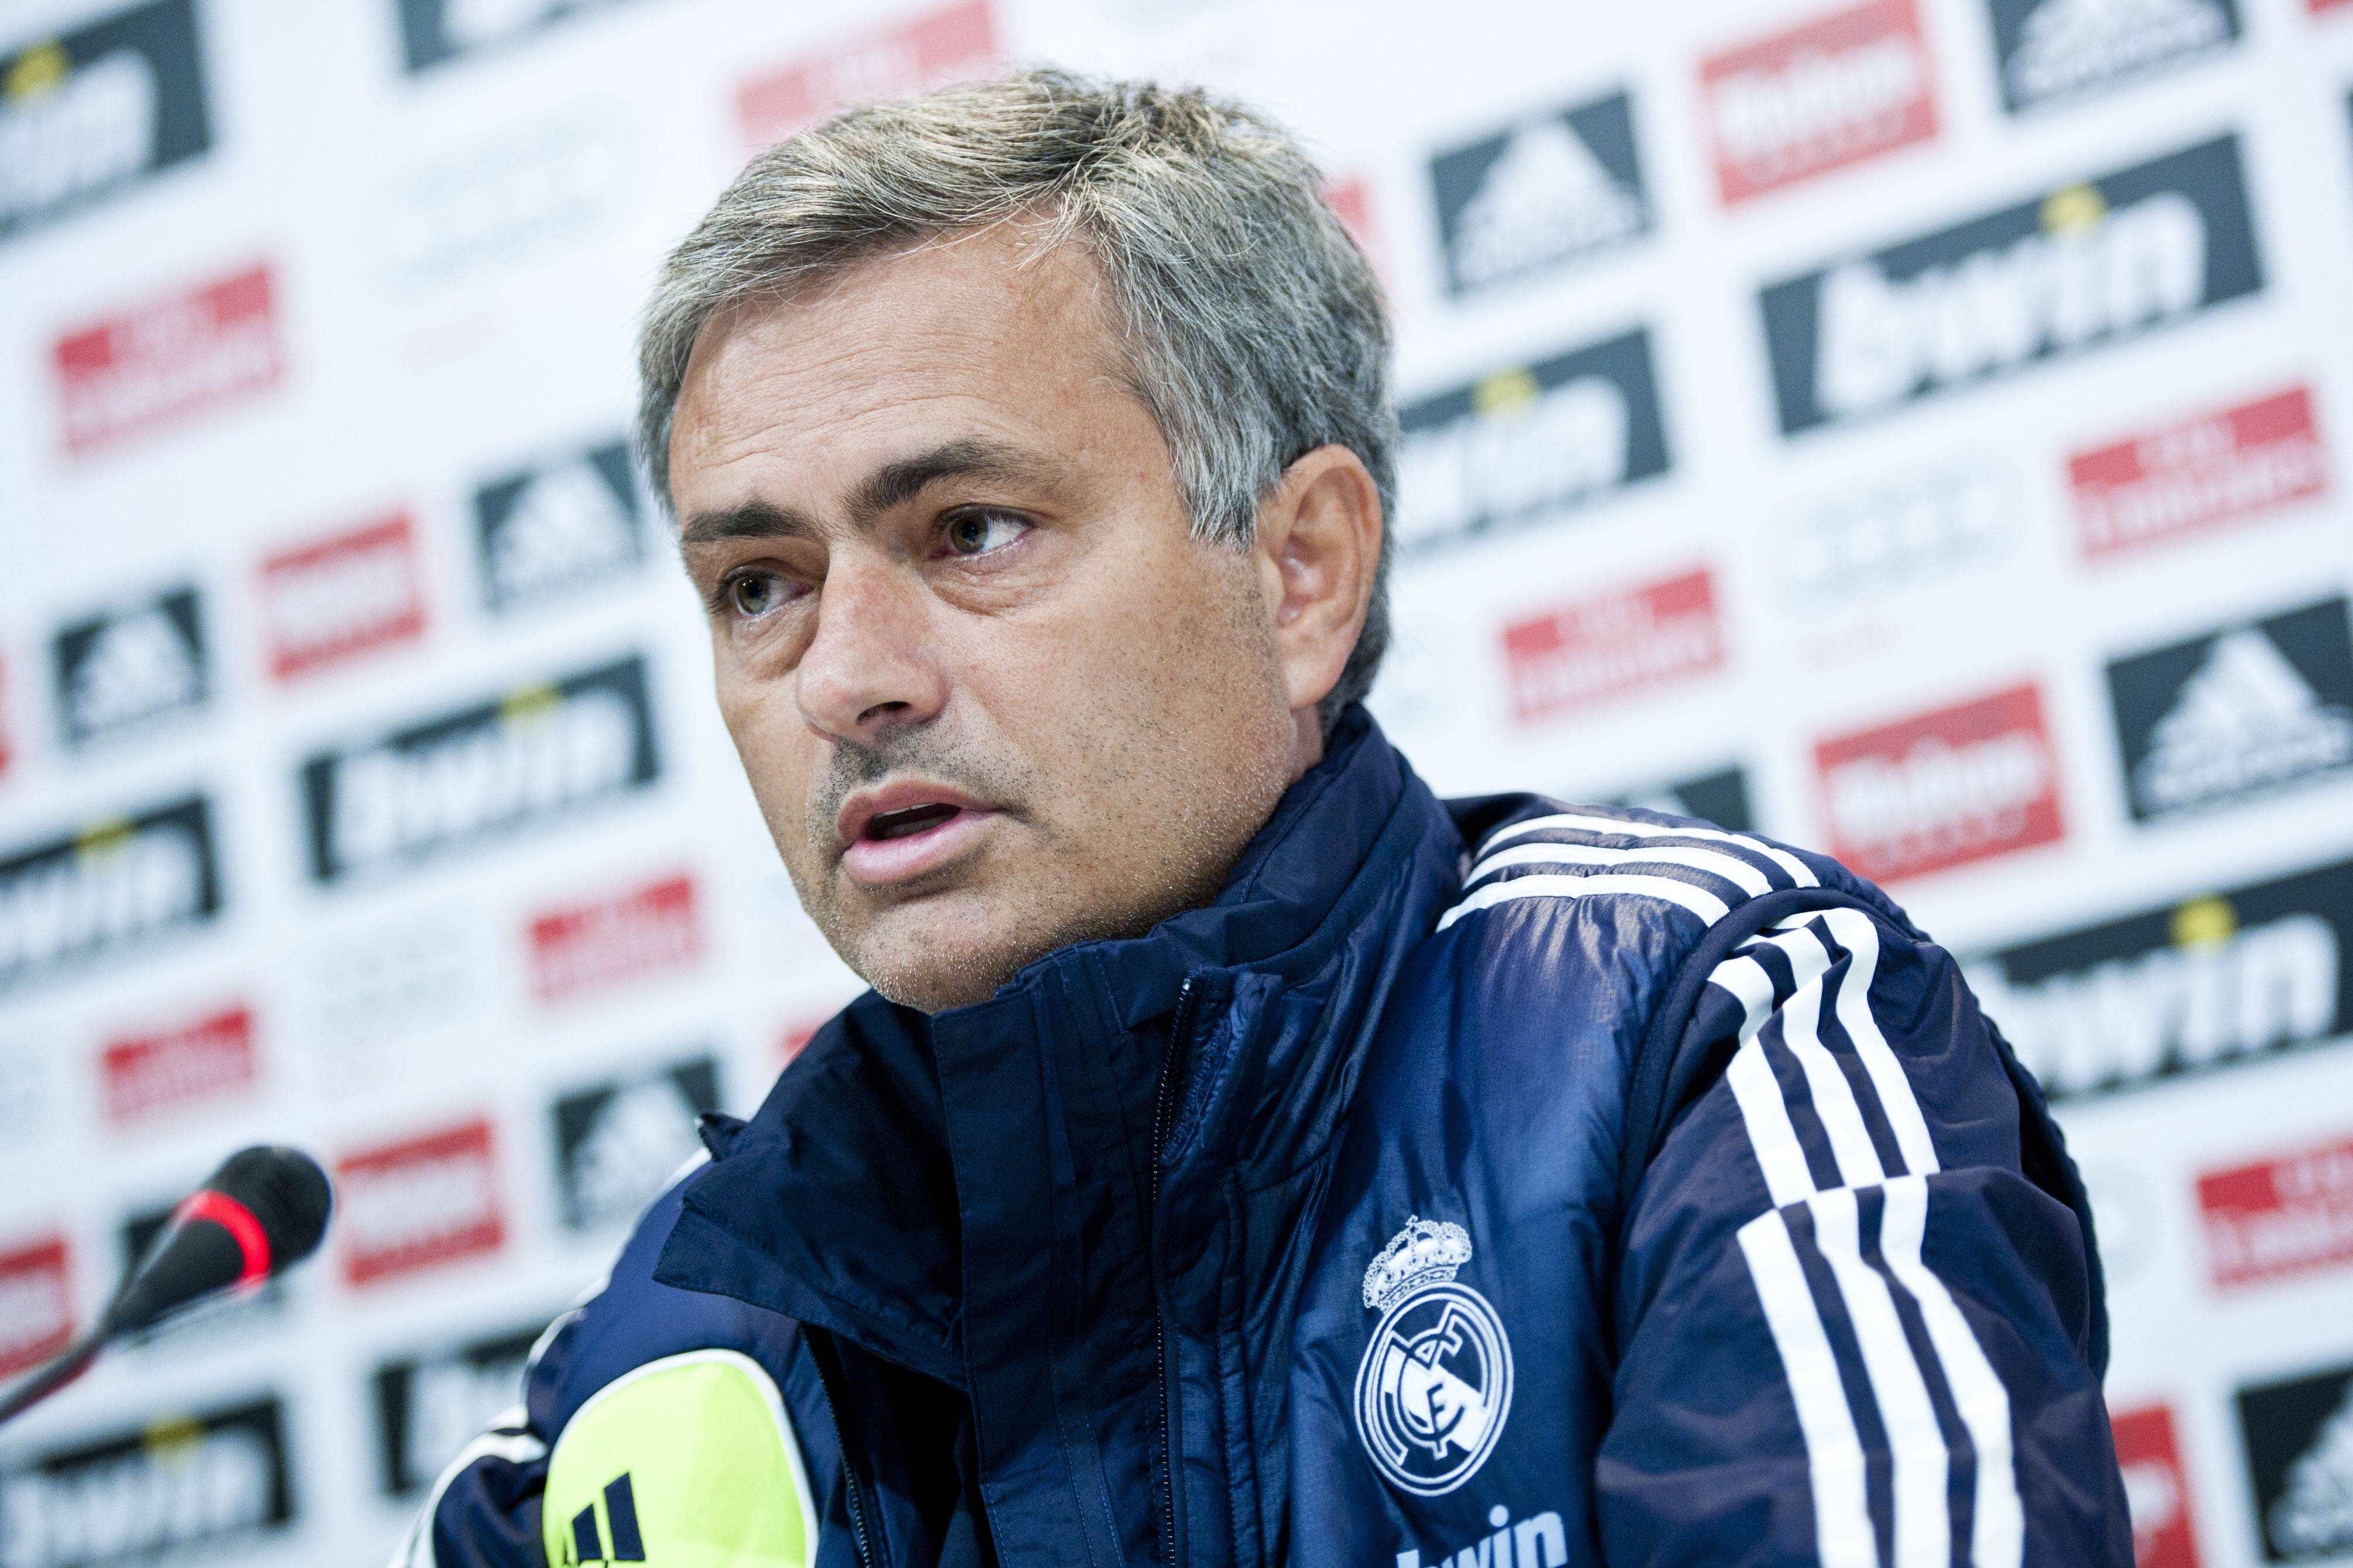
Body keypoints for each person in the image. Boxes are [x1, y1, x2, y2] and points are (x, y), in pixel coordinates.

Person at [396, 69, 2130, 1568]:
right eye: (758, 581)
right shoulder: (653, 1356)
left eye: (972, 531)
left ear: (1299, 570)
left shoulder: (1699, 1025)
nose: (847, 676)